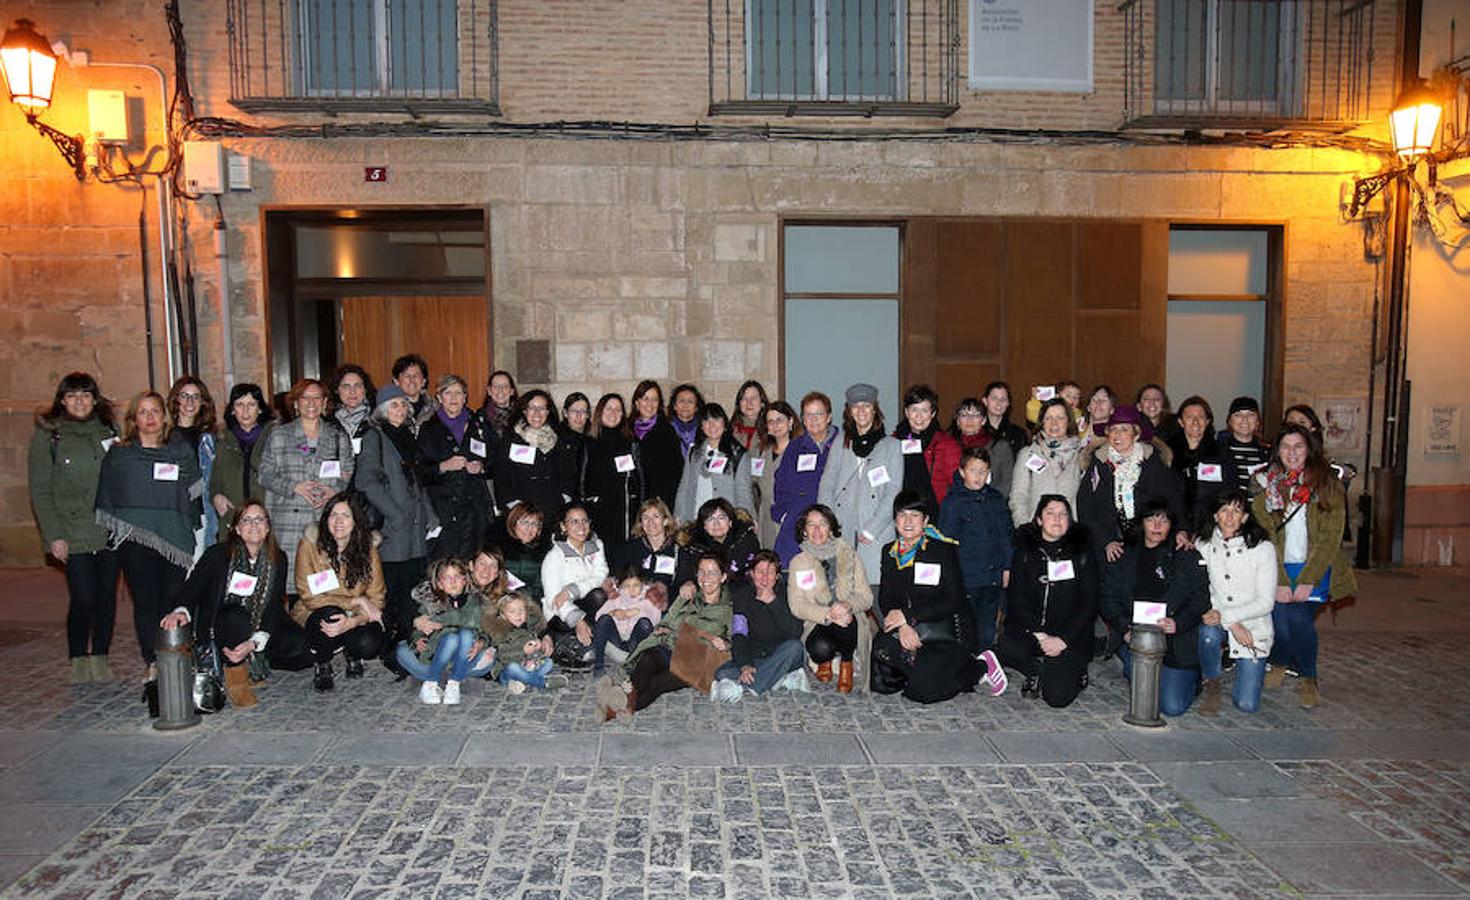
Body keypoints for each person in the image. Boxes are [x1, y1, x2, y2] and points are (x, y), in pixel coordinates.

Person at [95, 390, 201, 709]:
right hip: (135, 538)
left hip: (174, 536)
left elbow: (193, 491)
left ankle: (176, 657)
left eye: (155, 411)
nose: (150, 418)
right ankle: (152, 661)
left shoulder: (180, 450)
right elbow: (108, 495)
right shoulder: (120, 454)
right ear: (134, 419)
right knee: (146, 600)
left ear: (165, 417)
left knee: (174, 600)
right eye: (143, 412)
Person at [159, 500, 305, 709]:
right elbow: (192, 589)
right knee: (236, 617)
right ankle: (236, 675)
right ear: (237, 528)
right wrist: (180, 611)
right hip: (222, 624)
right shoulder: (217, 555)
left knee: (301, 648)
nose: (254, 525)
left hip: (256, 624)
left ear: (267, 526)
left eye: (259, 519)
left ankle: (254, 660)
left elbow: (274, 605)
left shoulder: (278, 558)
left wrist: (254, 642)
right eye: (246, 520)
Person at [1252, 424, 1358, 708]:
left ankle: (1309, 677)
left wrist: (1309, 578)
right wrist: (1281, 581)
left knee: (1299, 620)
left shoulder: (1328, 484)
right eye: (1285, 447)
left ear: (1308, 448)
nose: (1292, 453)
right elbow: (1267, 538)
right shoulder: (1265, 486)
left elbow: (1330, 537)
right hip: (1277, 567)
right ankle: (1278, 661)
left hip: (1316, 566)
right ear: (1277, 451)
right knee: (1280, 626)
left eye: (1298, 446)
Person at [28, 373, 120, 684]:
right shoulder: (50, 436)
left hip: (108, 529)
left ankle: (101, 657)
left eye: (85, 395)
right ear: (62, 400)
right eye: (72, 395)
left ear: (95, 400)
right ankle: (78, 656)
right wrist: (53, 534)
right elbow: (40, 489)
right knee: (84, 596)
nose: (79, 401)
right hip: (72, 529)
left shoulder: (109, 432)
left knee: (107, 596)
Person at [871, 491, 984, 703]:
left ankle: (974, 668)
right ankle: (920, 668)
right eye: (902, 515)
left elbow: (954, 599)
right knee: (881, 648)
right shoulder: (889, 552)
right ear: (895, 521)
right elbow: (886, 598)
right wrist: (904, 627)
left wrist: (909, 616)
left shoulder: (942, 550)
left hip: (944, 633)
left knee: (920, 692)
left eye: (915, 515)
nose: (908, 521)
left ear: (925, 521)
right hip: (910, 629)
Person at [1098, 501, 1210, 716]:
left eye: (1164, 520)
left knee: (1171, 707)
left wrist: (1178, 623)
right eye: (1151, 519)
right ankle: (1133, 667)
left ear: (1172, 526)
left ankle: (1193, 680)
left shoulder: (1185, 555)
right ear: (1141, 523)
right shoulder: (1123, 555)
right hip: (1135, 634)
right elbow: (1107, 599)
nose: (1157, 525)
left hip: (1174, 638)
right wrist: (1125, 629)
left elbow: (1201, 598)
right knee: (1144, 686)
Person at [353, 384, 436, 657]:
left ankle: (410, 641)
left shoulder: (406, 437)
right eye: (394, 405)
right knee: (393, 585)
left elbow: (417, 481)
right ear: (381, 410)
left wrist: (431, 516)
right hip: (394, 526)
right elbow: (366, 481)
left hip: (414, 527)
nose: (400, 410)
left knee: (413, 586)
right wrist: (395, 513)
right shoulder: (375, 437)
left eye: (403, 405)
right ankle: (391, 645)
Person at [603, 549, 734, 717]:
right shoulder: (688, 595)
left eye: (712, 573)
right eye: (701, 572)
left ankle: (617, 708)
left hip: (694, 661)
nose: (705, 578)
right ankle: (623, 698)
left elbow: (735, 638)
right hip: (670, 648)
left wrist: (726, 644)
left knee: (658, 682)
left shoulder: (729, 608)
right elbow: (666, 621)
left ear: (723, 577)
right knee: (648, 659)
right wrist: (663, 629)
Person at [997, 495, 1097, 707]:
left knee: (1056, 698)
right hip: (1035, 633)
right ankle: (1037, 669)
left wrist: (1063, 640)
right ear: (1039, 520)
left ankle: (1075, 671)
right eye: (1050, 513)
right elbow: (1016, 598)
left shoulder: (1082, 552)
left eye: (1063, 514)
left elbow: (1089, 604)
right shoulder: (1025, 552)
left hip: (1069, 636)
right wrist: (1041, 636)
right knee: (1004, 646)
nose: (1057, 519)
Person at [257, 379, 355, 585]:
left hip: (325, 521)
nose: (311, 403)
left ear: (325, 402)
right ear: (295, 403)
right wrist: (294, 487)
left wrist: (334, 490)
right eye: (305, 398)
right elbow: (264, 474)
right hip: (288, 521)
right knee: (288, 585)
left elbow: (347, 471)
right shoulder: (279, 435)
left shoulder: (338, 437)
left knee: (323, 586)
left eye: (317, 397)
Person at [290, 494, 387, 691]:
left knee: (370, 641)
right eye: (333, 515)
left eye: (346, 516)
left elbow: (377, 596)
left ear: (356, 521)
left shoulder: (367, 549)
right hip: (315, 611)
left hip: (355, 616)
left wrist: (354, 620)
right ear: (325, 519)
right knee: (330, 615)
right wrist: (356, 601)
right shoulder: (309, 544)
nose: (339, 521)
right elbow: (309, 596)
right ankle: (323, 662)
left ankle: (352, 653)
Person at [1195, 488, 1277, 715]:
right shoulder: (1204, 546)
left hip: (1253, 624)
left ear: (1245, 517)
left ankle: (1251, 669)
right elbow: (1203, 590)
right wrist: (1229, 622)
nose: (1230, 517)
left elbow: (1266, 602)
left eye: (1236, 510)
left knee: (1246, 704)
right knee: (1208, 634)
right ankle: (1211, 681)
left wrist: (1230, 618)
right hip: (1219, 619)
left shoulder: (1263, 549)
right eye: (1224, 510)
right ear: (1215, 516)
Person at [1076, 405, 1185, 568]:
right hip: (1108, 547)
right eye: (1113, 429)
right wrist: (1106, 541)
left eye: (1124, 429)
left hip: (1149, 544)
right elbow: (1085, 506)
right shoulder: (1099, 463)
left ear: (1136, 435)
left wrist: (1181, 530)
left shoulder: (1153, 463)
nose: (1117, 435)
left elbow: (1174, 501)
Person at [819, 383, 902, 590]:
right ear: (849, 411)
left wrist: (872, 529)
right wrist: (828, 522)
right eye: (855, 406)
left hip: (877, 531)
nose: (861, 411)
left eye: (866, 406)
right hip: (842, 529)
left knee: (875, 593)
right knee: (844, 593)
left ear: (875, 409)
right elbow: (827, 483)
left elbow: (894, 491)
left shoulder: (892, 446)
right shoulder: (840, 443)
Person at [786, 504, 874, 694]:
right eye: (811, 525)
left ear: (832, 529)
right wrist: (828, 614)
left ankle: (847, 663)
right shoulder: (799, 563)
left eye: (823, 524)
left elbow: (866, 597)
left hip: (849, 619)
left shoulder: (850, 555)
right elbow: (797, 605)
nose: (817, 530)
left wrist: (847, 604)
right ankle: (825, 660)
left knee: (846, 619)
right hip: (818, 620)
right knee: (820, 649)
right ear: (804, 531)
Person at [938, 446, 1013, 661]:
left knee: (988, 623)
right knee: (965, 623)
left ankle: (985, 661)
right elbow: (946, 543)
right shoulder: (953, 503)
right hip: (966, 576)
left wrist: (1007, 566)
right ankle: (965, 662)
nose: (978, 476)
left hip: (992, 574)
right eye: (973, 471)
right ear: (962, 472)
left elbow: (1006, 535)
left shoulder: (996, 498)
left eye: (983, 471)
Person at [710, 549, 808, 702]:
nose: (764, 578)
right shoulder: (742, 596)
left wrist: (773, 603)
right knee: (721, 674)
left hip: (782, 654)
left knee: (795, 647)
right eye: (760, 572)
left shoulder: (787, 593)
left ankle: (749, 685)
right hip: (757, 657)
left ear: (777, 576)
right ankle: (774, 677)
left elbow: (794, 632)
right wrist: (745, 665)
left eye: (770, 573)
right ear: (751, 574)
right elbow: (739, 634)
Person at [397, 557, 493, 705]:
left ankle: (450, 683)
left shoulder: (476, 603)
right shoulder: (432, 603)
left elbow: (483, 628)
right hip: (436, 652)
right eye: (447, 578)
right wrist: (417, 639)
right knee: (449, 639)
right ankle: (435, 683)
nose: (453, 581)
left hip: (463, 656)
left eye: (457, 577)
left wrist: (482, 642)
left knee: (470, 637)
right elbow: (421, 627)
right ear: (440, 584)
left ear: (464, 580)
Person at [416, 374, 493, 560]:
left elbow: (495, 459)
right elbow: (420, 473)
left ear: (465, 397)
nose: (453, 398)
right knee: (447, 564)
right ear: (439, 398)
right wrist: (443, 466)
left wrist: (482, 467)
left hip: (476, 509)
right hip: (444, 511)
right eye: (447, 392)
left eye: (458, 393)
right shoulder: (428, 429)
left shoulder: (479, 424)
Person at [539, 503, 610, 666]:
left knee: (599, 595)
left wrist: (573, 590)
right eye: (574, 521)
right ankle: (564, 638)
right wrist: (578, 620)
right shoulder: (554, 556)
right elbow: (554, 599)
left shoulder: (597, 546)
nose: (581, 526)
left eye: (585, 521)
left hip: (584, 602)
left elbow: (601, 575)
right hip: (560, 612)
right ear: (563, 526)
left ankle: (587, 638)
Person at [771, 392, 838, 564]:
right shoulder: (795, 447)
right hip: (798, 521)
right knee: (796, 574)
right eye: (809, 415)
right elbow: (781, 482)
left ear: (829, 417)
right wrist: (783, 514)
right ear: (803, 419)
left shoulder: (842, 444)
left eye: (819, 414)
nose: (814, 419)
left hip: (835, 521)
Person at [493, 389, 578, 523]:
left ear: (548, 412)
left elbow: (568, 474)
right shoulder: (510, 439)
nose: (537, 413)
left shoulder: (559, 438)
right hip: (522, 514)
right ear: (524, 411)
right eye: (532, 408)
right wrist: (515, 507)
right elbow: (501, 477)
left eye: (542, 408)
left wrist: (564, 500)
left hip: (554, 510)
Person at [1009, 397, 1087, 528]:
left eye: (1060, 418)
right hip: (1035, 532)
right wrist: (1025, 528)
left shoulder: (1081, 455)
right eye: (1048, 418)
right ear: (1041, 422)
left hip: (1071, 533)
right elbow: (1018, 496)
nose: (1054, 423)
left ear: (1068, 421)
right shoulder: (1028, 454)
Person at [209, 383, 274, 535]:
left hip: (266, 517)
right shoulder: (222, 440)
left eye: (251, 404)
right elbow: (215, 481)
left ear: (260, 409)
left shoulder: (274, 437)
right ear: (232, 410)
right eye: (239, 404)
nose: (245, 410)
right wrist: (217, 496)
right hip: (233, 517)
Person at [1167, 395, 1233, 536]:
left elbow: (1229, 491)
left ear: (1208, 421)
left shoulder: (1221, 452)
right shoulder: (1167, 452)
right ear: (1180, 421)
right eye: (1190, 417)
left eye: (1201, 417)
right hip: (1174, 527)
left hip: (1211, 527)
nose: (1195, 422)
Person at [893, 384, 962, 518]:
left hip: (937, 515)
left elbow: (957, 487)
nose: (919, 416)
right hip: (901, 516)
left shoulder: (947, 444)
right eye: (914, 409)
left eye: (924, 410)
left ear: (933, 413)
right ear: (906, 412)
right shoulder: (893, 442)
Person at [674, 403, 751, 522]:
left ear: (724, 423)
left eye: (716, 419)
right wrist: (678, 515)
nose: (712, 425)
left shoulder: (738, 454)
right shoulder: (693, 452)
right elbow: (684, 486)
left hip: (724, 523)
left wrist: (746, 520)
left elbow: (743, 491)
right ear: (701, 426)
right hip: (695, 519)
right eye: (706, 420)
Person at [583, 393, 642, 545]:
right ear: (600, 412)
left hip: (625, 512)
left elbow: (640, 479)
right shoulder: (588, 442)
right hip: (597, 512)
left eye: (618, 410)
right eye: (609, 409)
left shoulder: (631, 442)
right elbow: (581, 480)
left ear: (623, 414)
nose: (613, 413)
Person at [168, 376, 220, 545]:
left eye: (195, 397)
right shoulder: (165, 437)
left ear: (203, 402)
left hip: (202, 510)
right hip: (174, 510)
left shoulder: (210, 438)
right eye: (185, 396)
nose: (190, 402)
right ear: (176, 400)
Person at [486, 592, 569, 692]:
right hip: (507, 670)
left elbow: (535, 654)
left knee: (548, 663)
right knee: (513, 668)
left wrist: (538, 647)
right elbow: (504, 656)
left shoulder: (529, 629)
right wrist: (523, 651)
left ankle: (522, 681)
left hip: (527, 665)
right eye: (512, 611)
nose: (518, 614)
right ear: (503, 616)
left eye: (521, 610)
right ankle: (543, 683)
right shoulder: (500, 632)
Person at [743, 401, 799, 549]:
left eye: (779, 420)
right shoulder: (759, 451)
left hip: (791, 516)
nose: (775, 425)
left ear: (790, 421)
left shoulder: (801, 450)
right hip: (765, 516)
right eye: (770, 421)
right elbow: (749, 484)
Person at [673, 498, 761, 592]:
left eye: (721, 518)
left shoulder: (746, 540)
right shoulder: (692, 547)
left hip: (742, 592)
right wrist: (688, 584)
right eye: (710, 519)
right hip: (704, 593)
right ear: (704, 526)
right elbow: (683, 577)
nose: (717, 524)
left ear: (730, 522)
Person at [591, 566, 662, 676]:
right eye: (627, 586)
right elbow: (598, 617)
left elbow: (656, 619)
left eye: (636, 585)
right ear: (621, 586)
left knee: (644, 623)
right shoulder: (616, 598)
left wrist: (637, 612)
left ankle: (641, 665)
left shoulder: (650, 599)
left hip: (636, 646)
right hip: (616, 643)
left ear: (643, 584)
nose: (632, 589)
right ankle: (598, 665)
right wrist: (614, 613)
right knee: (604, 619)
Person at [613, 499, 686, 596]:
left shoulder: (679, 550)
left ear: (665, 521)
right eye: (645, 517)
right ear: (641, 523)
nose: (650, 522)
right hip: (635, 600)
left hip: (668, 601)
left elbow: (685, 581)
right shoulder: (628, 548)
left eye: (656, 516)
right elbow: (619, 578)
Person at [630, 380, 684, 510]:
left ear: (659, 404)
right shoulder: (627, 430)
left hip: (658, 502)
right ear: (637, 403)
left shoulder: (667, 431)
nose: (649, 404)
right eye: (645, 398)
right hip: (632, 501)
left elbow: (675, 471)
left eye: (654, 399)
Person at [949, 396, 1016, 497]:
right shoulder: (948, 446)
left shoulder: (1000, 446)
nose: (970, 420)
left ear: (984, 420)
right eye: (964, 415)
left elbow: (1007, 482)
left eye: (976, 415)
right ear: (958, 421)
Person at [500, 502, 551, 600]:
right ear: (513, 523)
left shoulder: (547, 552)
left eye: (534, 524)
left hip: (533, 603)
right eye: (525, 522)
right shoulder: (499, 549)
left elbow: (544, 586)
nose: (529, 528)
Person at [1219, 396, 1271, 491]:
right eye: (1238, 415)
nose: (1244, 420)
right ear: (1229, 421)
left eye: (1250, 415)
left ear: (1258, 422)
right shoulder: (1217, 451)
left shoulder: (1268, 453)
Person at [329, 364, 375, 457]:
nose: (352, 392)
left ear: (365, 389)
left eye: (357, 386)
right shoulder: (328, 423)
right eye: (346, 387)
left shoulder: (377, 419)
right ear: (337, 390)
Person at [979, 381, 1029, 458]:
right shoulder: (976, 430)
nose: (999, 403)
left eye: (1003, 399)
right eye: (994, 398)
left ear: (1008, 403)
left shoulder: (1019, 434)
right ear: (985, 401)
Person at [558, 391, 592, 501]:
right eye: (574, 411)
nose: (578, 415)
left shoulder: (594, 439)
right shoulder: (555, 438)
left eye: (583, 411)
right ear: (565, 413)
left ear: (588, 414)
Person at [391, 354, 436, 430]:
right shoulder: (389, 409)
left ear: (424, 381)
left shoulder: (435, 408)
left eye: (416, 375)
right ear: (396, 381)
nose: (412, 380)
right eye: (407, 375)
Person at [666, 383, 705, 460]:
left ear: (696, 407)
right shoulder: (665, 429)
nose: (685, 405)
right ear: (674, 406)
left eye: (690, 402)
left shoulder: (704, 430)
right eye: (681, 401)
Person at [480, 369, 519, 440]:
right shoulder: (479, 418)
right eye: (495, 386)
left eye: (505, 386)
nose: (500, 390)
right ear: (489, 391)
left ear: (512, 391)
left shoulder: (522, 416)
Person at [730, 380, 769, 450]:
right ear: (739, 404)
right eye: (744, 398)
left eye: (753, 398)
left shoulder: (771, 429)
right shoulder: (730, 430)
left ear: (762, 403)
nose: (749, 403)